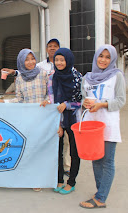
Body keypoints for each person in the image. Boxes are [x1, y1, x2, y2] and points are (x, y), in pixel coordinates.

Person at [0, 49, 49, 192]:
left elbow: (51, 94)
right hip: (28, 120)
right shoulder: (19, 79)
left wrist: (48, 101)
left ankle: (40, 179)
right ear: (21, 62)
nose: (31, 62)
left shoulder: (44, 74)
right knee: (28, 149)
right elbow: (19, 100)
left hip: (43, 119)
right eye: (27, 59)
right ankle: (30, 178)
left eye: (32, 58)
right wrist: (4, 102)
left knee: (41, 150)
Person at [79, 45, 126, 209]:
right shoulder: (87, 78)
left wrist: (102, 104)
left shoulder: (117, 76)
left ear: (112, 59)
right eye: (101, 56)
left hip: (108, 124)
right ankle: (101, 192)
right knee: (96, 159)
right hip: (91, 125)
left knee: (107, 162)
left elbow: (120, 101)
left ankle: (100, 198)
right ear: (95, 57)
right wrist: (85, 103)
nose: (103, 60)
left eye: (107, 57)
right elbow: (84, 99)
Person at [43, 48, 82, 195]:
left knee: (74, 151)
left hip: (73, 119)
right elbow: (52, 98)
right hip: (58, 118)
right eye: (57, 60)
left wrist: (67, 104)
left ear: (68, 60)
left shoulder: (77, 76)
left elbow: (80, 100)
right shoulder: (53, 77)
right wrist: (57, 122)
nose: (59, 63)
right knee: (57, 151)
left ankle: (71, 182)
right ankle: (59, 179)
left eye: (62, 60)